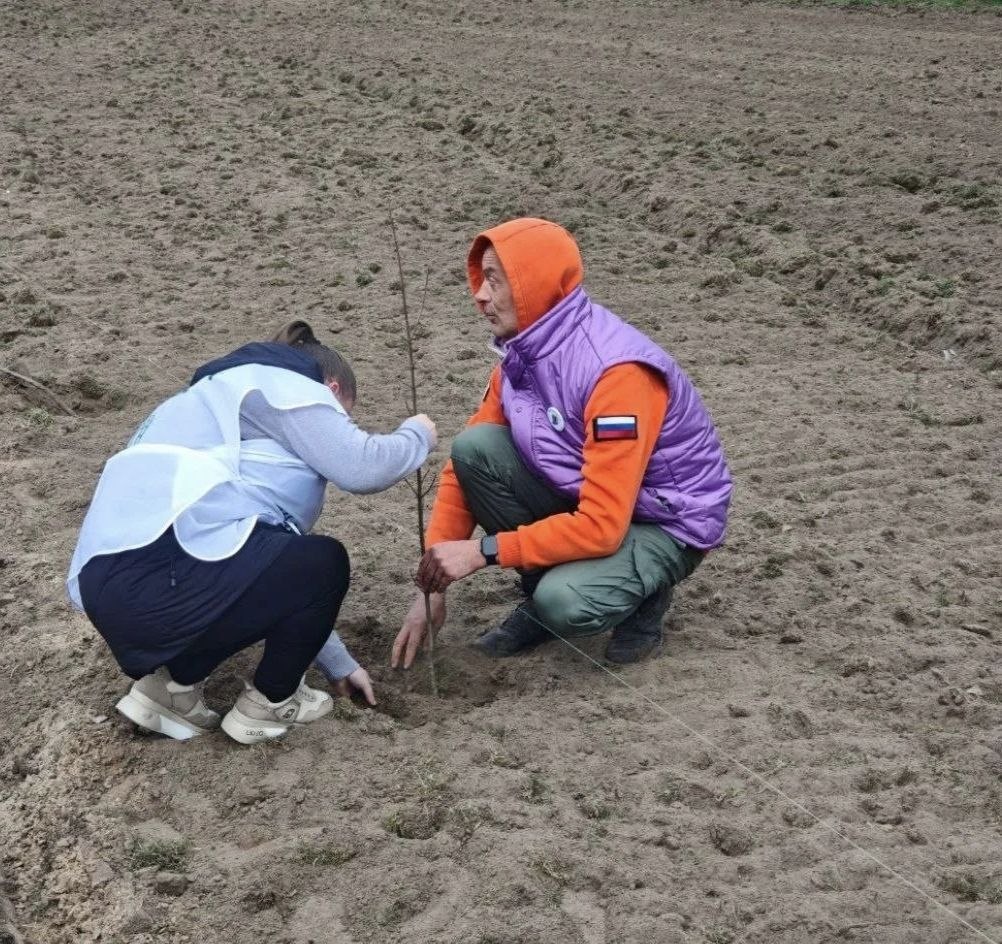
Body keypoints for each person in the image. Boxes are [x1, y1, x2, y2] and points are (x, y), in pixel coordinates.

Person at [68, 321, 436, 744]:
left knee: (281, 567)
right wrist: (418, 434)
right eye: (343, 418)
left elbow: (276, 584)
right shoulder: (285, 387)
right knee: (324, 560)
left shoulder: (203, 407)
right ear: (331, 389)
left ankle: (169, 691)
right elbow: (363, 468)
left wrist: (340, 664)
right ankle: (270, 703)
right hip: (168, 578)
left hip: (113, 588)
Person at [392, 218, 731, 669]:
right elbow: (462, 470)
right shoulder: (522, 357)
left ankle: (643, 596)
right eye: (481, 278)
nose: (479, 295)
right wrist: (430, 587)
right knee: (476, 449)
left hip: (664, 520)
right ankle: (546, 594)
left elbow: (603, 524)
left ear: (533, 283)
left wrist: (483, 552)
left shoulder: (617, 374)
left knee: (565, 601)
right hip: (593, 496)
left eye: (494, 280)